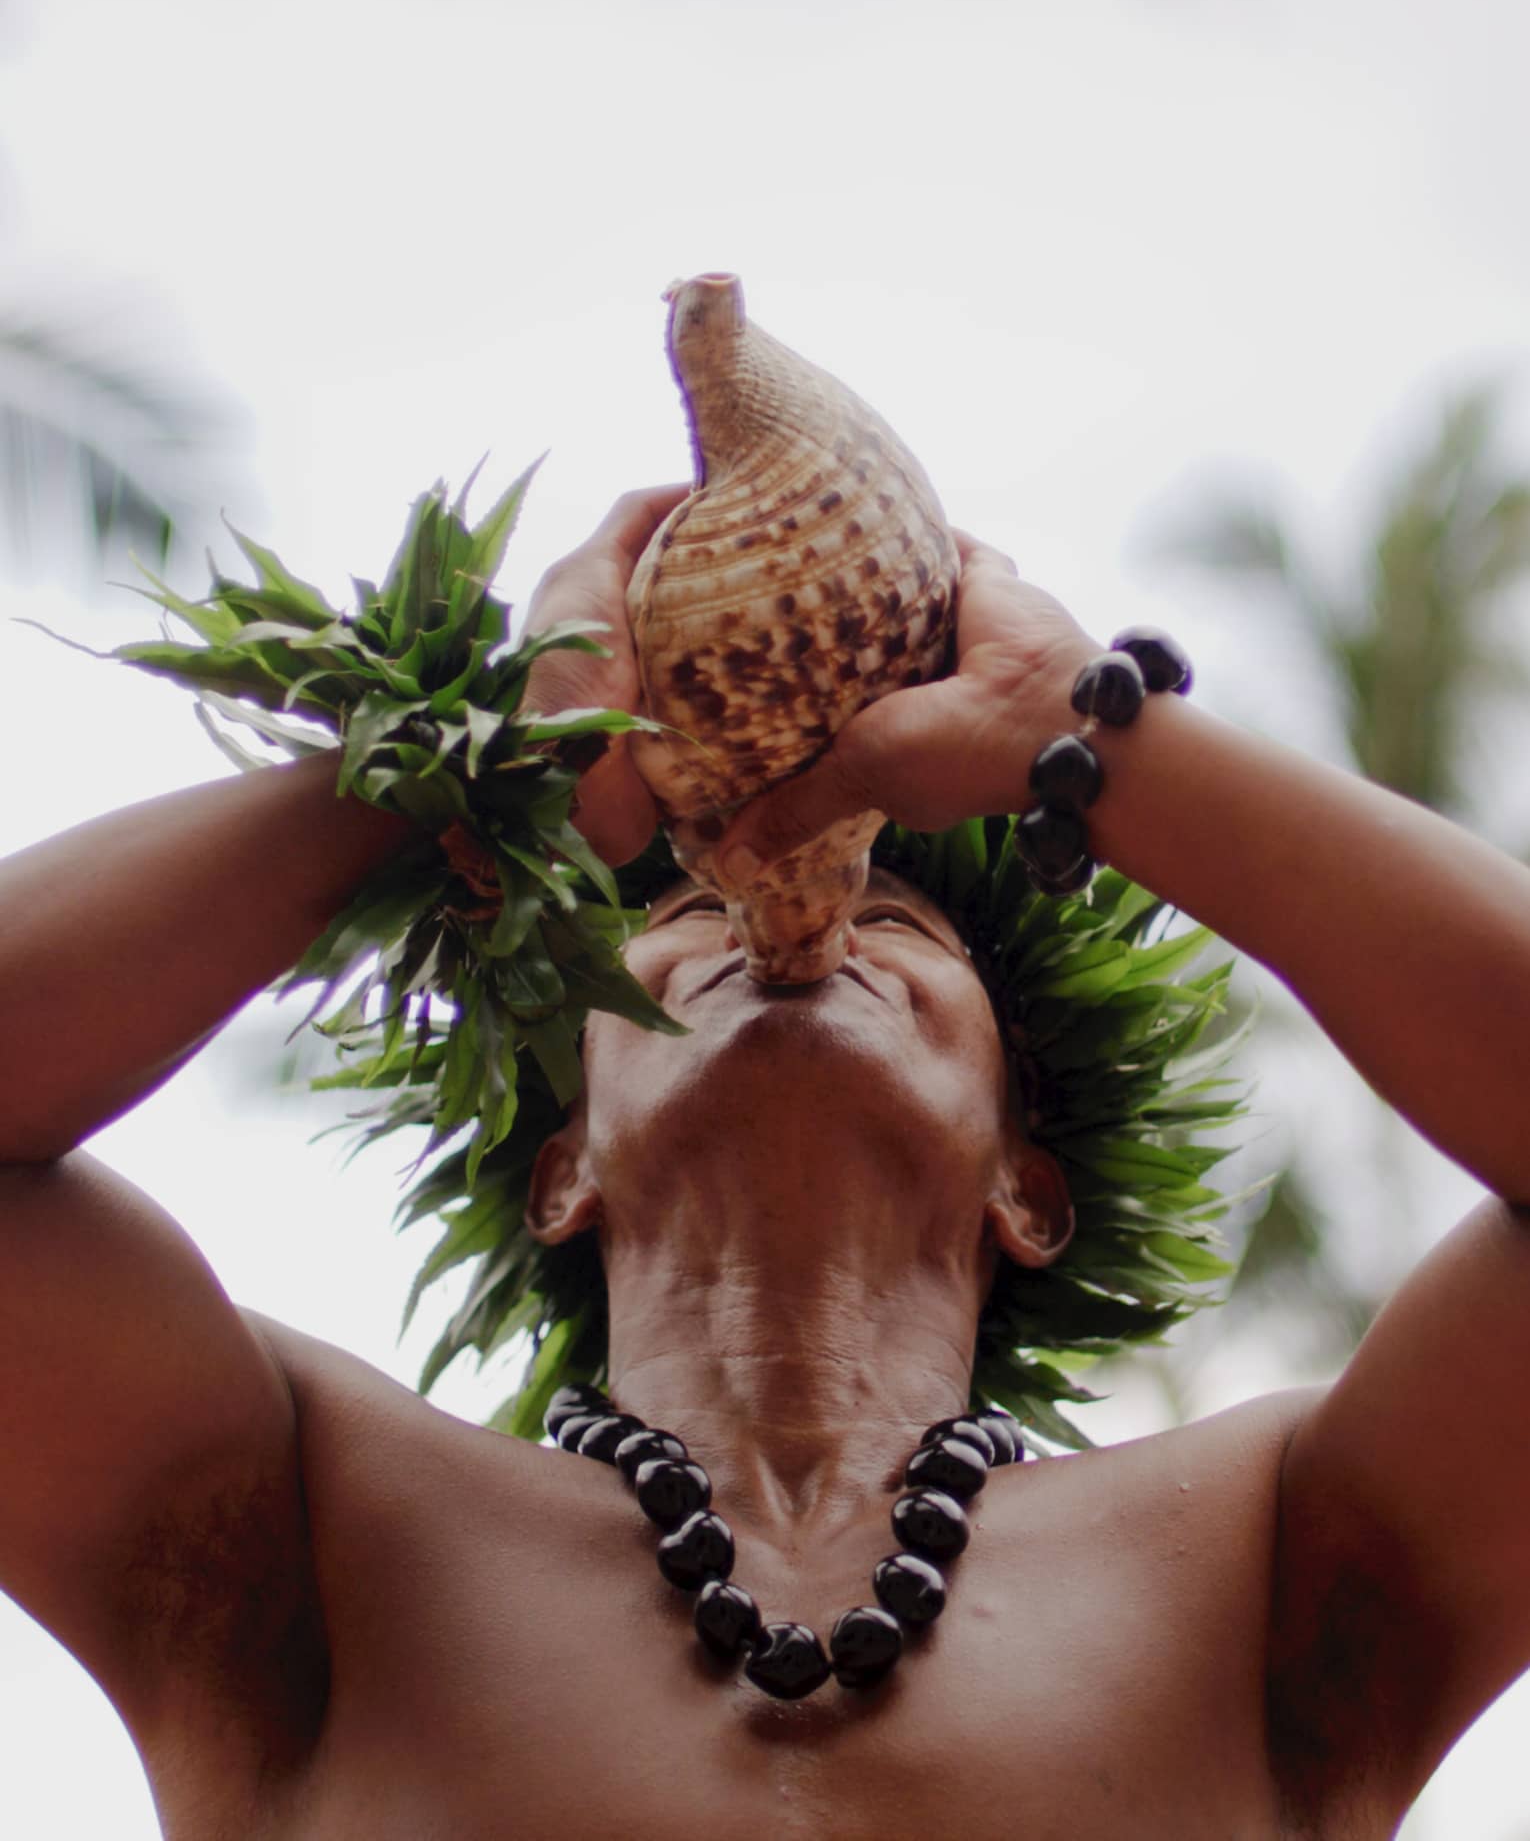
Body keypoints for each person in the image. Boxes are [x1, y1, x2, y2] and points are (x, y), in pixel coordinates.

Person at [2, 482, 1528, 1841]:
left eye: (896, 921)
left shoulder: (1259, 1553)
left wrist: (1072, 735)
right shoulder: (316, 1521)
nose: (780, 921)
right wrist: (487, 780)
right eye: (671, 918)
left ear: (1024, 1187)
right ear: (564, 1169)